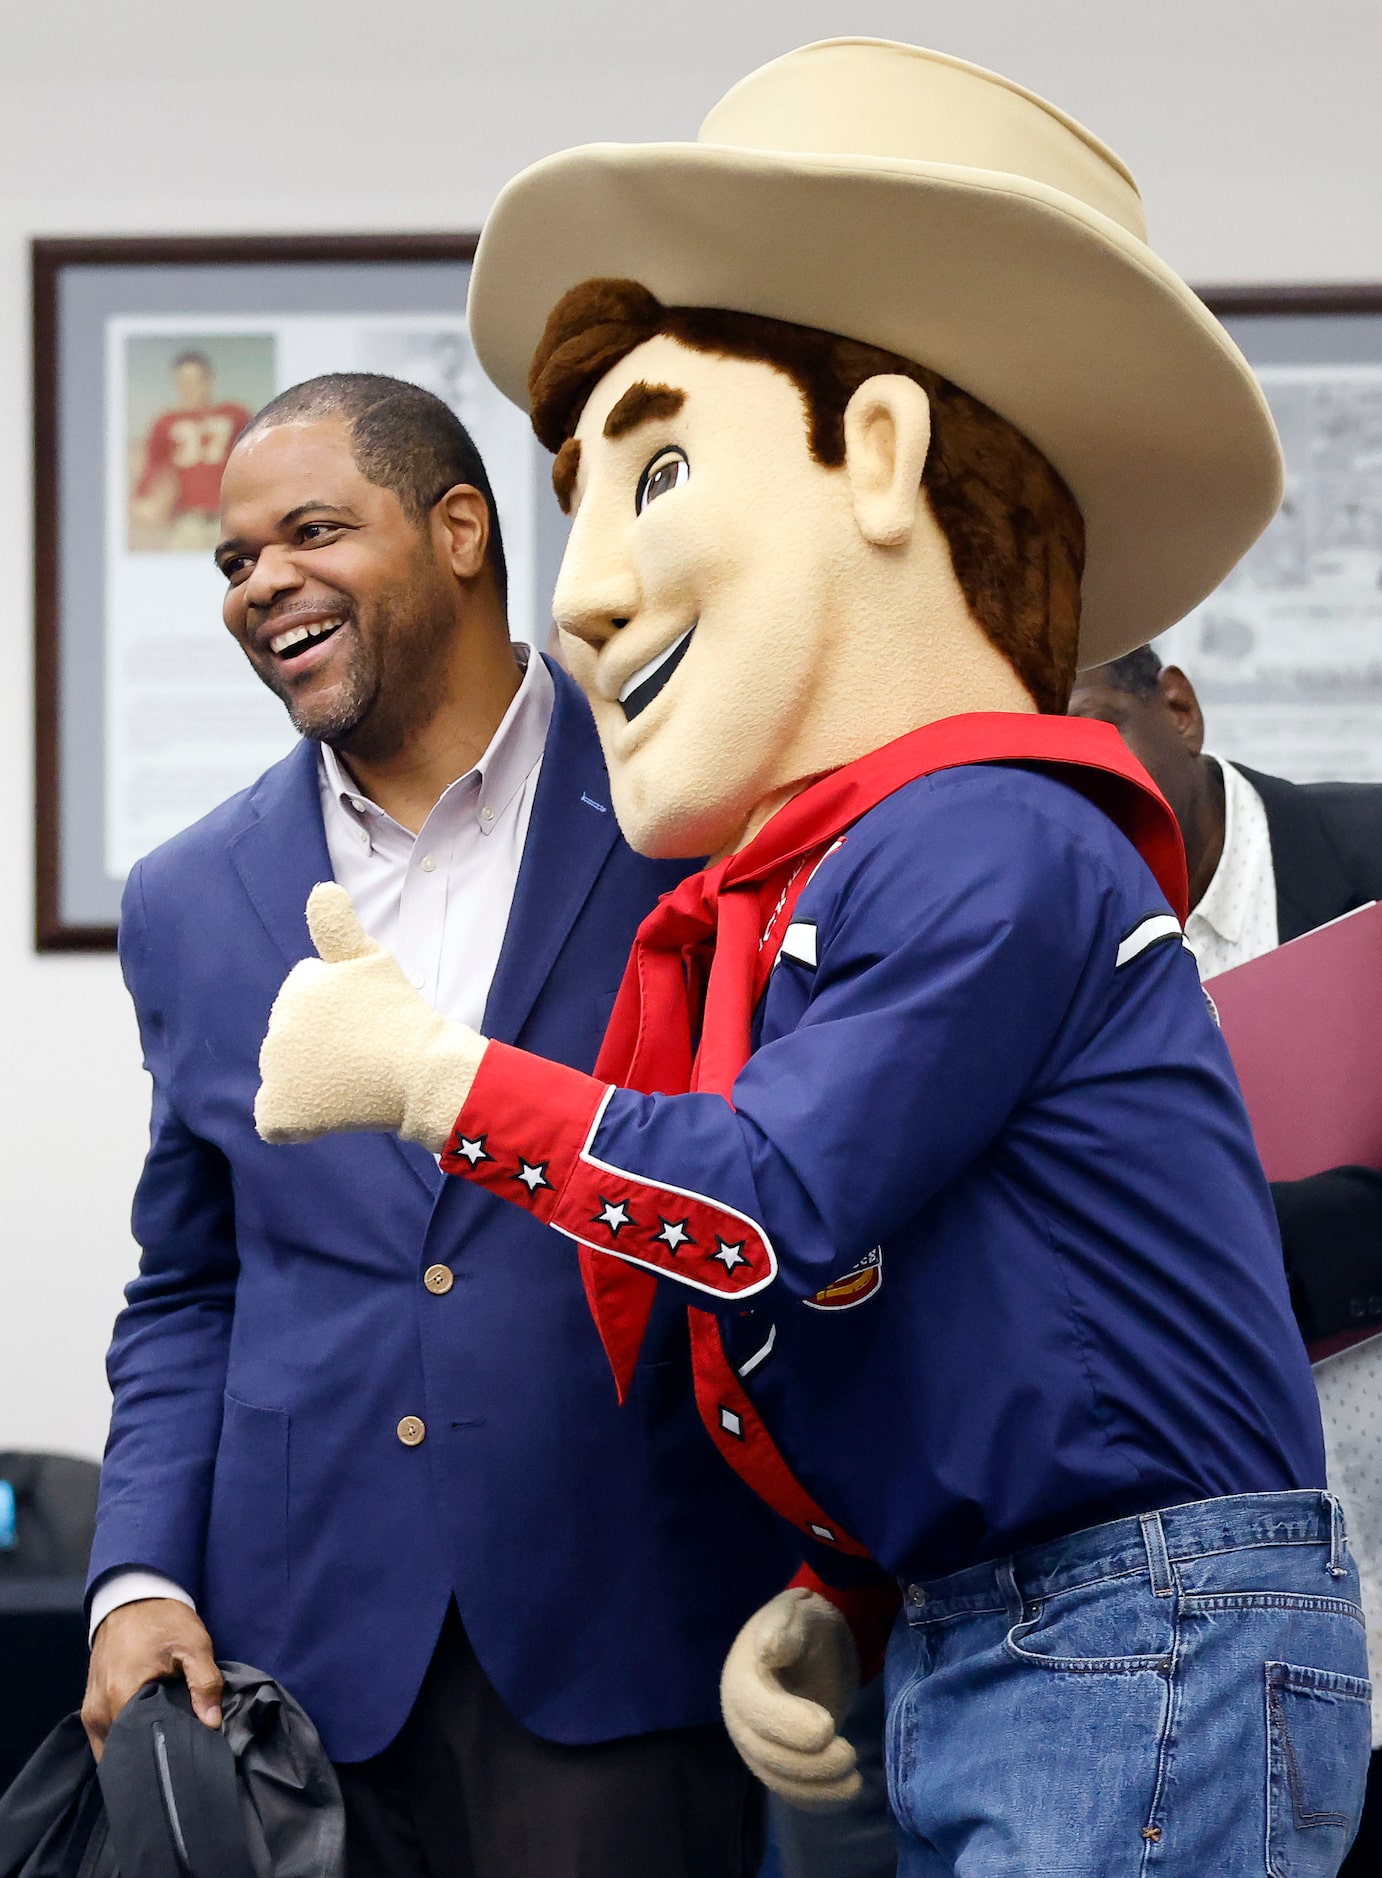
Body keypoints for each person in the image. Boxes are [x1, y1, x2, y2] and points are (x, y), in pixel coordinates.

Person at [251, 41, 1372, 1875]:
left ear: (879, 454)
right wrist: (847, 1590)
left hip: (1124, 1625)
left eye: (658, 468)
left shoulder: (985, 836)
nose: (578, 597)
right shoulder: (845, 881)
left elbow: (774, 1208)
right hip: (1023, 1618)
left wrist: (436, 1080)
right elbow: (975, 1301)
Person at [84, 372, 794, 1878]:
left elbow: (778, 1182)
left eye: (312, 530)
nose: (261, 579)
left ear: (460, 528)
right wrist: (138, 1575)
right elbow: (189, 1284)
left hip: (630, 1623)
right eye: (231, 559)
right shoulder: (189, 898)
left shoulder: (691, 813)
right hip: (303, 1676)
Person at [1070, 644, 1382, 1876]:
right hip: (1200, 1681)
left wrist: (1238, 1248)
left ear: (1178, 705)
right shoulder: (1030, 952)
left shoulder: (1363, 866)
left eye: (1084, 733)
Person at [128, 350, 251, 552]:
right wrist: (144, 505)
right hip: (188, 522)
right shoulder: (165, 423)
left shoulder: (235, 414)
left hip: (228, 521)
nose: (190, 389)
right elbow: (153, 471)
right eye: (183, 382)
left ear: (209, 379)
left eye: (196, 381)